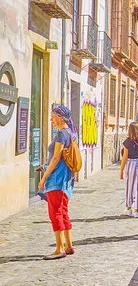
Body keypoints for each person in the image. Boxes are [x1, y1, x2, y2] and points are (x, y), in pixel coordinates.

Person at [38, 105, 77, 260]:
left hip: (57, 179)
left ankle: (59, 248)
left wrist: (44, 177)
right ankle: (68, 245)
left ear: (61, 117)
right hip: (65, 179)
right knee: (63, 211)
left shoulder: (61, 134)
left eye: (53, 116)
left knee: (55, 213)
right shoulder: (71, 133)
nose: (51, 119)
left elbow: (56, 157)